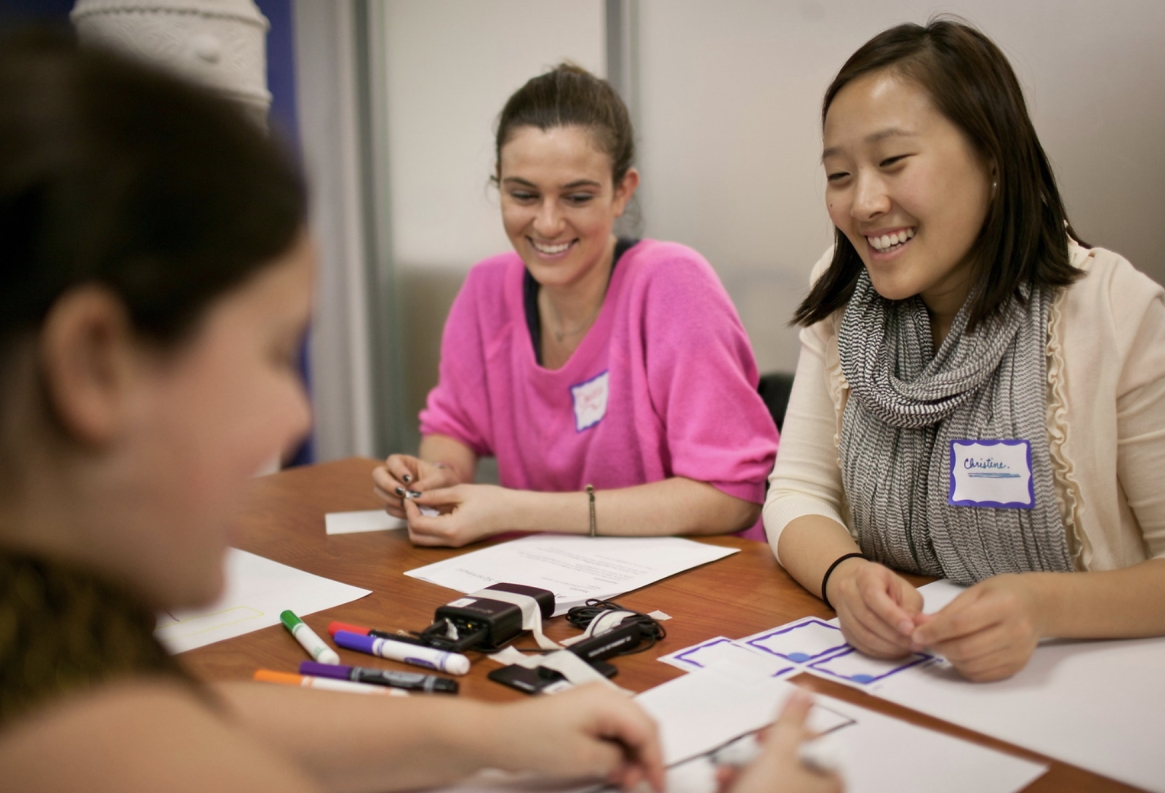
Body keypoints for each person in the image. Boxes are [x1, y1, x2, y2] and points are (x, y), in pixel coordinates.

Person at [0, 34, 668, 793]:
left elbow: (183, 716)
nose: (296, 413)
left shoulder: (60, 654)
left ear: (622, 191)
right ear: (94, 363)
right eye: (271, 353)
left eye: (575, 195)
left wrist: (497, 732)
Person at [764, 19, 1165, 682]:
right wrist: (844, 576)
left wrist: (1043, 605)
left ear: (992, 158)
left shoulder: (1110, 310)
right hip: (899, 685)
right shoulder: (841, 303)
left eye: (893, 162)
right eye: (839, 174)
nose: (864, 202)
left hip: (1091, 692)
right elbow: (796, 491)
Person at [372, 64, 779, 547]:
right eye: (522, 194)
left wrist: (513, 508)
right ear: (498, 186)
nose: (546, 223)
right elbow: (453, 427)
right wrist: (435, 476)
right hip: (556, 585)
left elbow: (732, 494)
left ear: (621, 192)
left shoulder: (672, 283)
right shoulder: (486, 290)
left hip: (689, 592)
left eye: (577, 197)